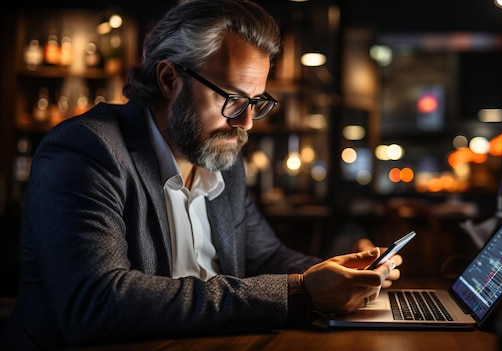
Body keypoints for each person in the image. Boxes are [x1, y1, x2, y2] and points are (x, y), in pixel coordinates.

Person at [0, 0, 404, 349]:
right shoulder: (85, 152)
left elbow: (265, 257)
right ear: (169, 79)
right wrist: (299, 292)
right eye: (231, 99)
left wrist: (346, 276)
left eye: (256, 101)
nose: (246, 122)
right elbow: (98, 303)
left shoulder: (221, 156)